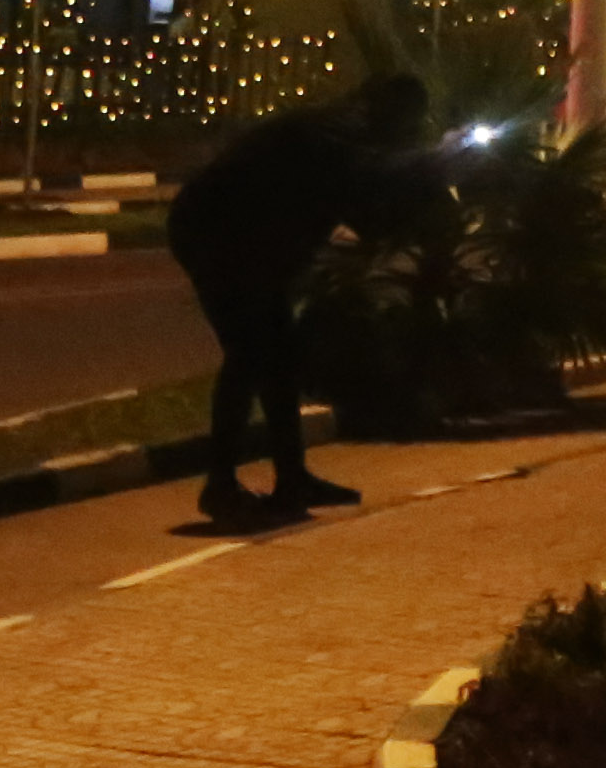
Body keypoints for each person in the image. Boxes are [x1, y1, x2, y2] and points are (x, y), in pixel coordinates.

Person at [165, 70, 436, 529]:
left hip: (253, 242)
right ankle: (220, 485)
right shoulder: (338, 135)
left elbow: (368, 212)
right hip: (218, 235)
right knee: (248, 354)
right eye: (411, 123)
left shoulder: (348, 137)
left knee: (278, 356)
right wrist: (435, 162)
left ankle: (292, 478)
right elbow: (371, 195)